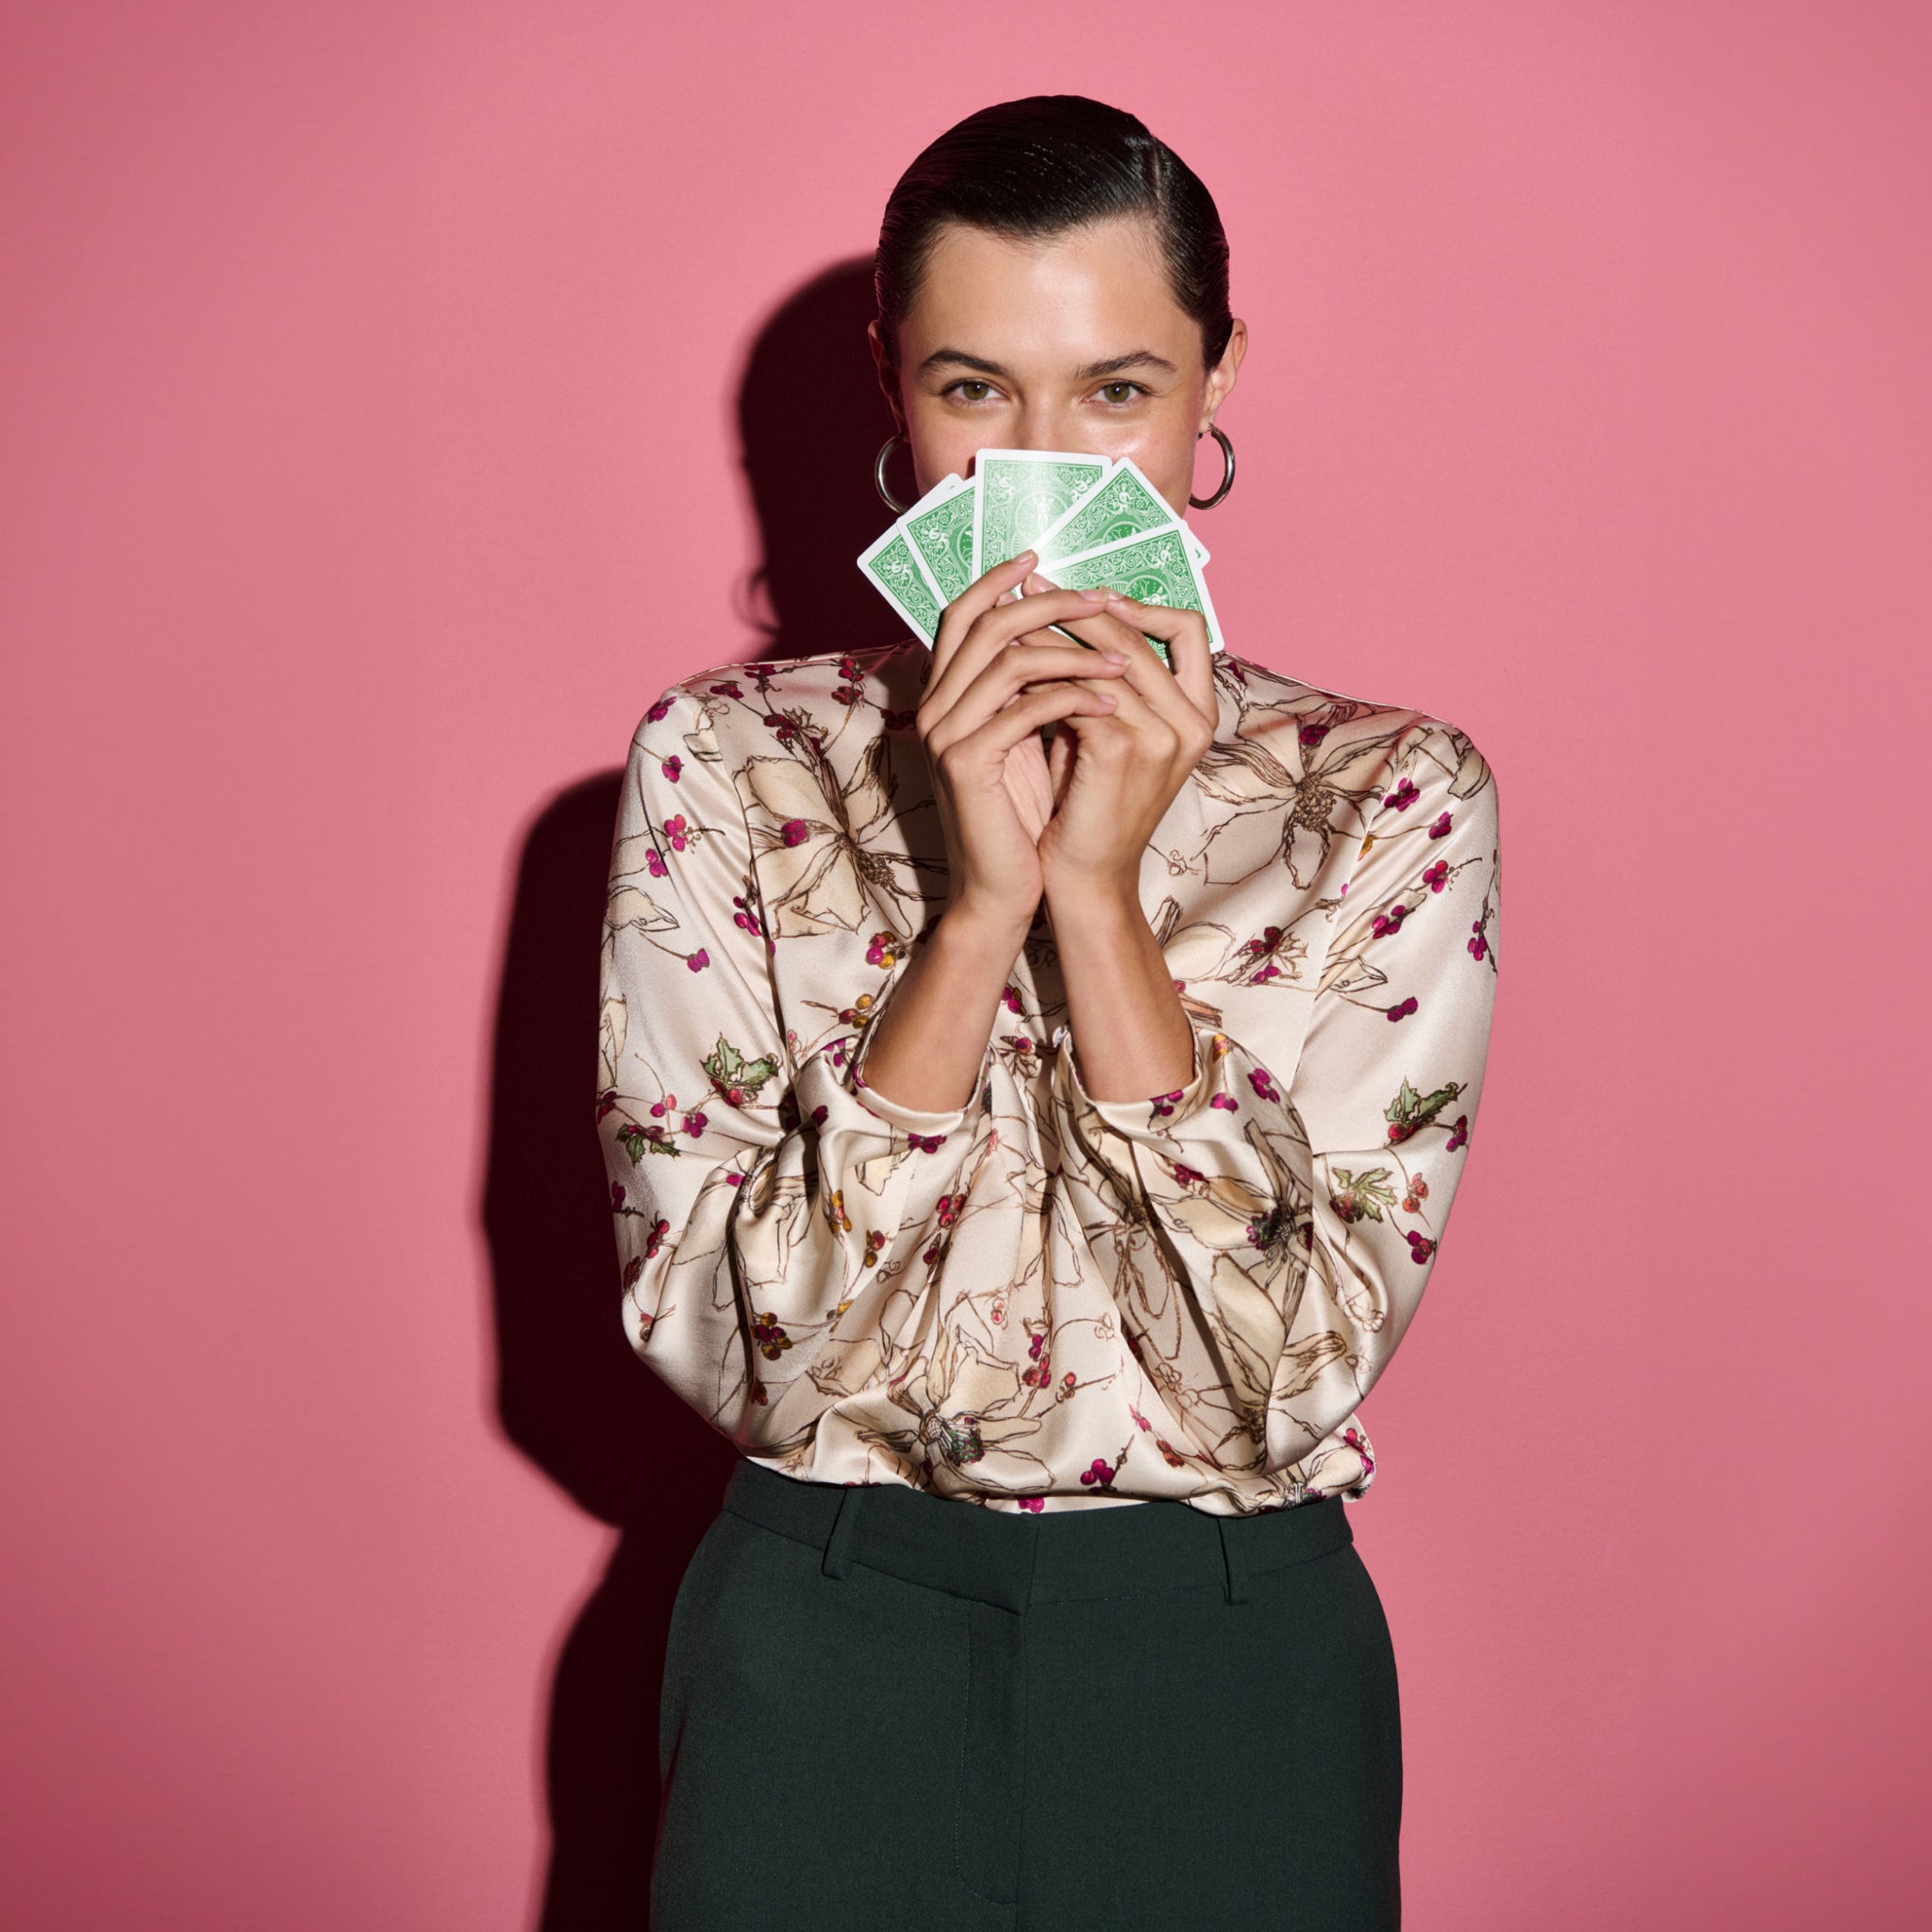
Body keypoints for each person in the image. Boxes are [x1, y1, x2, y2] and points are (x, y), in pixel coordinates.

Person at [597, 93, 1500, 1932]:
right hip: (825, 1633)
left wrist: (1096, 901)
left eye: (1114, 391)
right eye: (975, 388)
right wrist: (976, 910)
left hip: (1226, 1656)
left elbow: (1289, 1373)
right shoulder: (728, 763)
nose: (1039, 461)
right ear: (890, 383)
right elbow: (731, 1357)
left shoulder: (1386, 795)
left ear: (1212, 379)